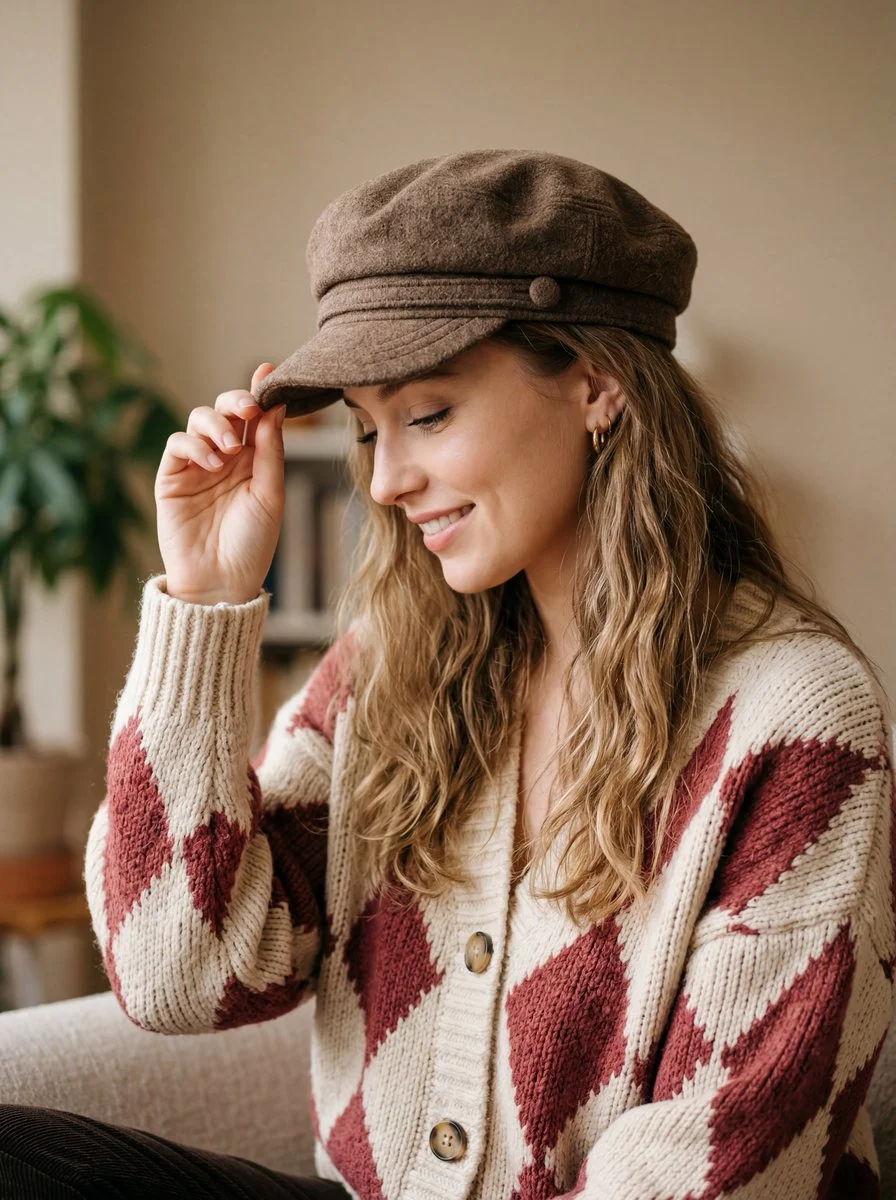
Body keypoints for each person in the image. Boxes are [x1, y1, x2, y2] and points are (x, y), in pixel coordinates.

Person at [2, 149, 892, 1199]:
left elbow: (717, 1159)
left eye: (425, 414)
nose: (384, 480)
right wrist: (201, 600)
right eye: (368, 428)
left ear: (596, 384)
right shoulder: (390, 668)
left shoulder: (793, 717)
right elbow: (179, 974)